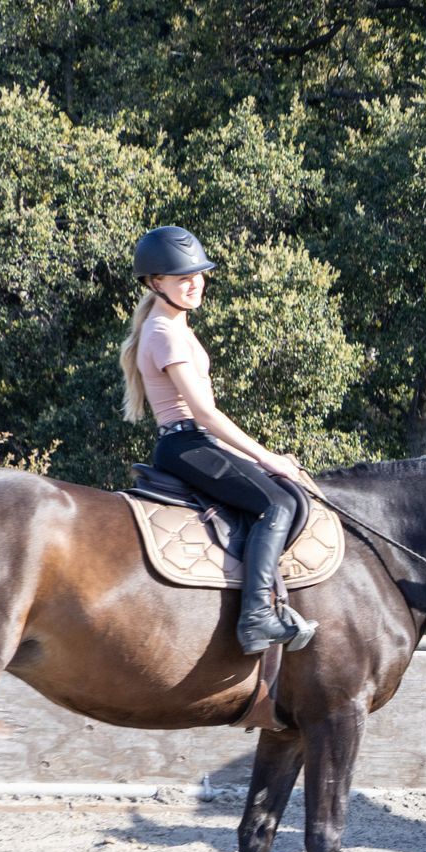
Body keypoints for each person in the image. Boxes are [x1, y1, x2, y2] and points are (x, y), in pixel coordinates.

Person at [118, 226, 317, 654]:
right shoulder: (164, 333)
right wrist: (268, 457)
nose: (195, 283)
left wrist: (259, 460)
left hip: (197, 442)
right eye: (182, 278)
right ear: (155, 283)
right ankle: (257, 616)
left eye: (199, 274)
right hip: (187, 445)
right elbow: (204, 413)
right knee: (277, 503)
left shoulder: (172, 324)